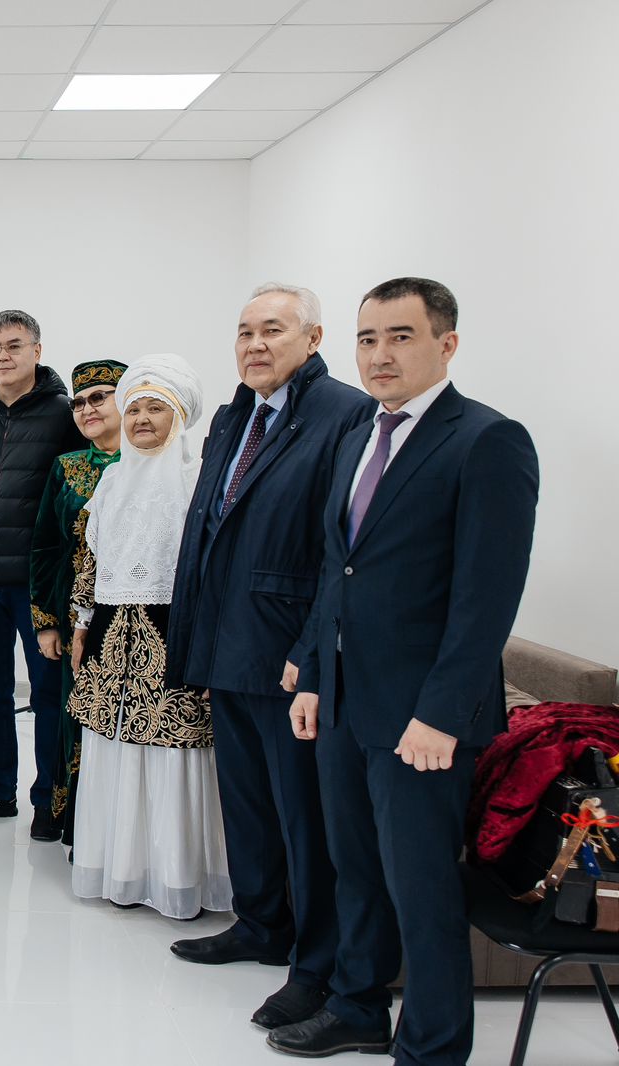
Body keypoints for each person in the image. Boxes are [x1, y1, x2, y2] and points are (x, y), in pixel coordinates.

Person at [271, 279, 538, 1064]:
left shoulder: (487, 440)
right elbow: (336, 569)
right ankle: (357, 1006)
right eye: (367, 338)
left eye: (400, 336)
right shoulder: (359, 435)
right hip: (347, 704)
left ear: (446, 345)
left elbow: (487, 599)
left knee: (421, 888)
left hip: (423, 720)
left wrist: (444, 715)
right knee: (354, 868)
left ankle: (432, 1045)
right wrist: (316, 674)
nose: (379, 354)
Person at [161, 285, 374, 1032]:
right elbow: (212, 524)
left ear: (312, 338)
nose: (255, 344)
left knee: (302, 817)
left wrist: (308, 650)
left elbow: (338, 552)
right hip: (224, 639)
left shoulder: (342, 414)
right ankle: (260, 922)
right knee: (246, 803)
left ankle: (313, 963)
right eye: (244, 331)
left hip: (285, 653)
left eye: (273, 331)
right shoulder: (232, 415)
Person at [66, 354, 229, 919]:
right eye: (133, 408)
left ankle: (178, 878)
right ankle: (121, 868)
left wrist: (212, 647)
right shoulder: (111, 479)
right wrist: (81, 620)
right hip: (113, 635)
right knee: (115, 750)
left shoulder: (199, 482)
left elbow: (216, 573)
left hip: (175, 635)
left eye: (155, 408)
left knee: (174, 755)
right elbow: (90, 558)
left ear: (178, 416)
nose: (140, 419)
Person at [0, 310, 80, 841]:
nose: (3, 356)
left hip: (37, 581)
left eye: (14, 346)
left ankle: (49, 798)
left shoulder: (64, 414)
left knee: (47, 691)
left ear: (37, 351)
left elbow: (71, 499)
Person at [29, 358, 125, 846]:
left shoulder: (151, 462)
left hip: (139, 619)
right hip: (77, 620)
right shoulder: (69, 467)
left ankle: (124, 831)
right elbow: (46, 545)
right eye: (80, 402)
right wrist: (46, 623)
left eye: (100, 397)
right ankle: (73, 818)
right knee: (74, 716)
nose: (87, 409)